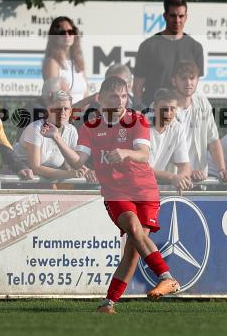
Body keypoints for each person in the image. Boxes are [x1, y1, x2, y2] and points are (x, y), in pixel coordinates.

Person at [46, 76, 181, 313]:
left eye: (123, 96)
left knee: (132, 249)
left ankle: (109, 303)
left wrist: (125, 152)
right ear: (101, 98)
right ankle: (166, 276)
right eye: (114, 96)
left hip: (144, 190)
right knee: (132, 225)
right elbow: (78, 161)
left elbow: (143, 154)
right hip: (115, 191)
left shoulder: (137, 120)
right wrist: (57, 138)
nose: (120, 101)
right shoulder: (90, 127)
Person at [132, 0, 204, 107]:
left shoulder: (196, 48)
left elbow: (193, 87)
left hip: (183, 113)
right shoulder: (148, 46)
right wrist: (142, 110)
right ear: (165, 16)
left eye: (181, 16)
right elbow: (137, 86)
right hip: (153, 112)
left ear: (186, 17)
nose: (177, 20)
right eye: (173, 16)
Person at [170, 61, 227, 183]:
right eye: (183, 78)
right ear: (174, 81)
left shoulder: (203, 103)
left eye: (192, 78)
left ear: (198, 80)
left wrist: (222, 169)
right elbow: (161, 148)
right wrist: (187, 171)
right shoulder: (162, 105)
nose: (188, 82)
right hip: (170, 182)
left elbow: (214, 141)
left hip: (199, 181)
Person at [13, 89, 83, 180]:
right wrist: (69, 174)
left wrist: (83, 170)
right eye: (58, 109)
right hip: (18, 178)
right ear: (49, 110)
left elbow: (71, 164)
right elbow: (35, 168)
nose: (62, 112)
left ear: (70, 112)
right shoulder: (35, 128)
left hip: (44, 181)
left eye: (66, 109)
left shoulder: (72, 131)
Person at [147, 88, 192, 191]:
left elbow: (185, 165)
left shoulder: (177, 128)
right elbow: (143, 169)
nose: (168, 113)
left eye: (172, 109)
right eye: (164, 108)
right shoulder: (142, 125)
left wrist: (182, 178)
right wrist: (173, 177)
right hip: (130, 191)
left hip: (153, 190)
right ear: (154, 107)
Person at [42, 17, 88, 103]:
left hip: (82, 114)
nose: (67, 35)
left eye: (71, 32)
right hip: (64, 114)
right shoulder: (52, 63)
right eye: (62, 32)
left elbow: (85, 94)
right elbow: (56, 100)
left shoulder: (79, 62)